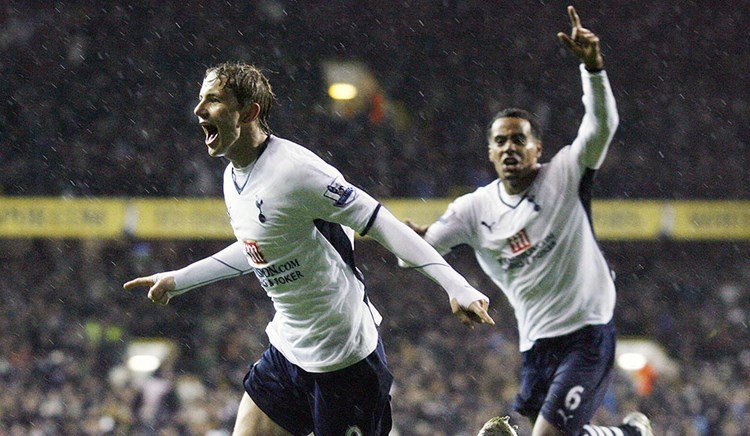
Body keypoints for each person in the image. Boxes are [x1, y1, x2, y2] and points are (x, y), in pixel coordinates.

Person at [124, 62, 494, 436]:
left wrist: (456, 285)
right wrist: (179, 280)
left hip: (345, 363)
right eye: (201, 98)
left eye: (214, 100)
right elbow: (260, 249)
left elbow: (380, 221)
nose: (199, 109)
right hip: (287, 350)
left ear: (249, 112)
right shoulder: (232, 177)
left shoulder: (296, 171)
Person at [403, 6, 653, 436]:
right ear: (490, 153)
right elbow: (417, 254)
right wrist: (420, 252)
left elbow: (602, 126)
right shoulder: (473, 209)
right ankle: (628, 434)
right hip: (536, 342)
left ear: (538, 148)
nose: (509, 147)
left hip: (588, 330)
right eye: (500, 141)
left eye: (519, 139)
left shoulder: (566, 174)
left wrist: (593, 69)